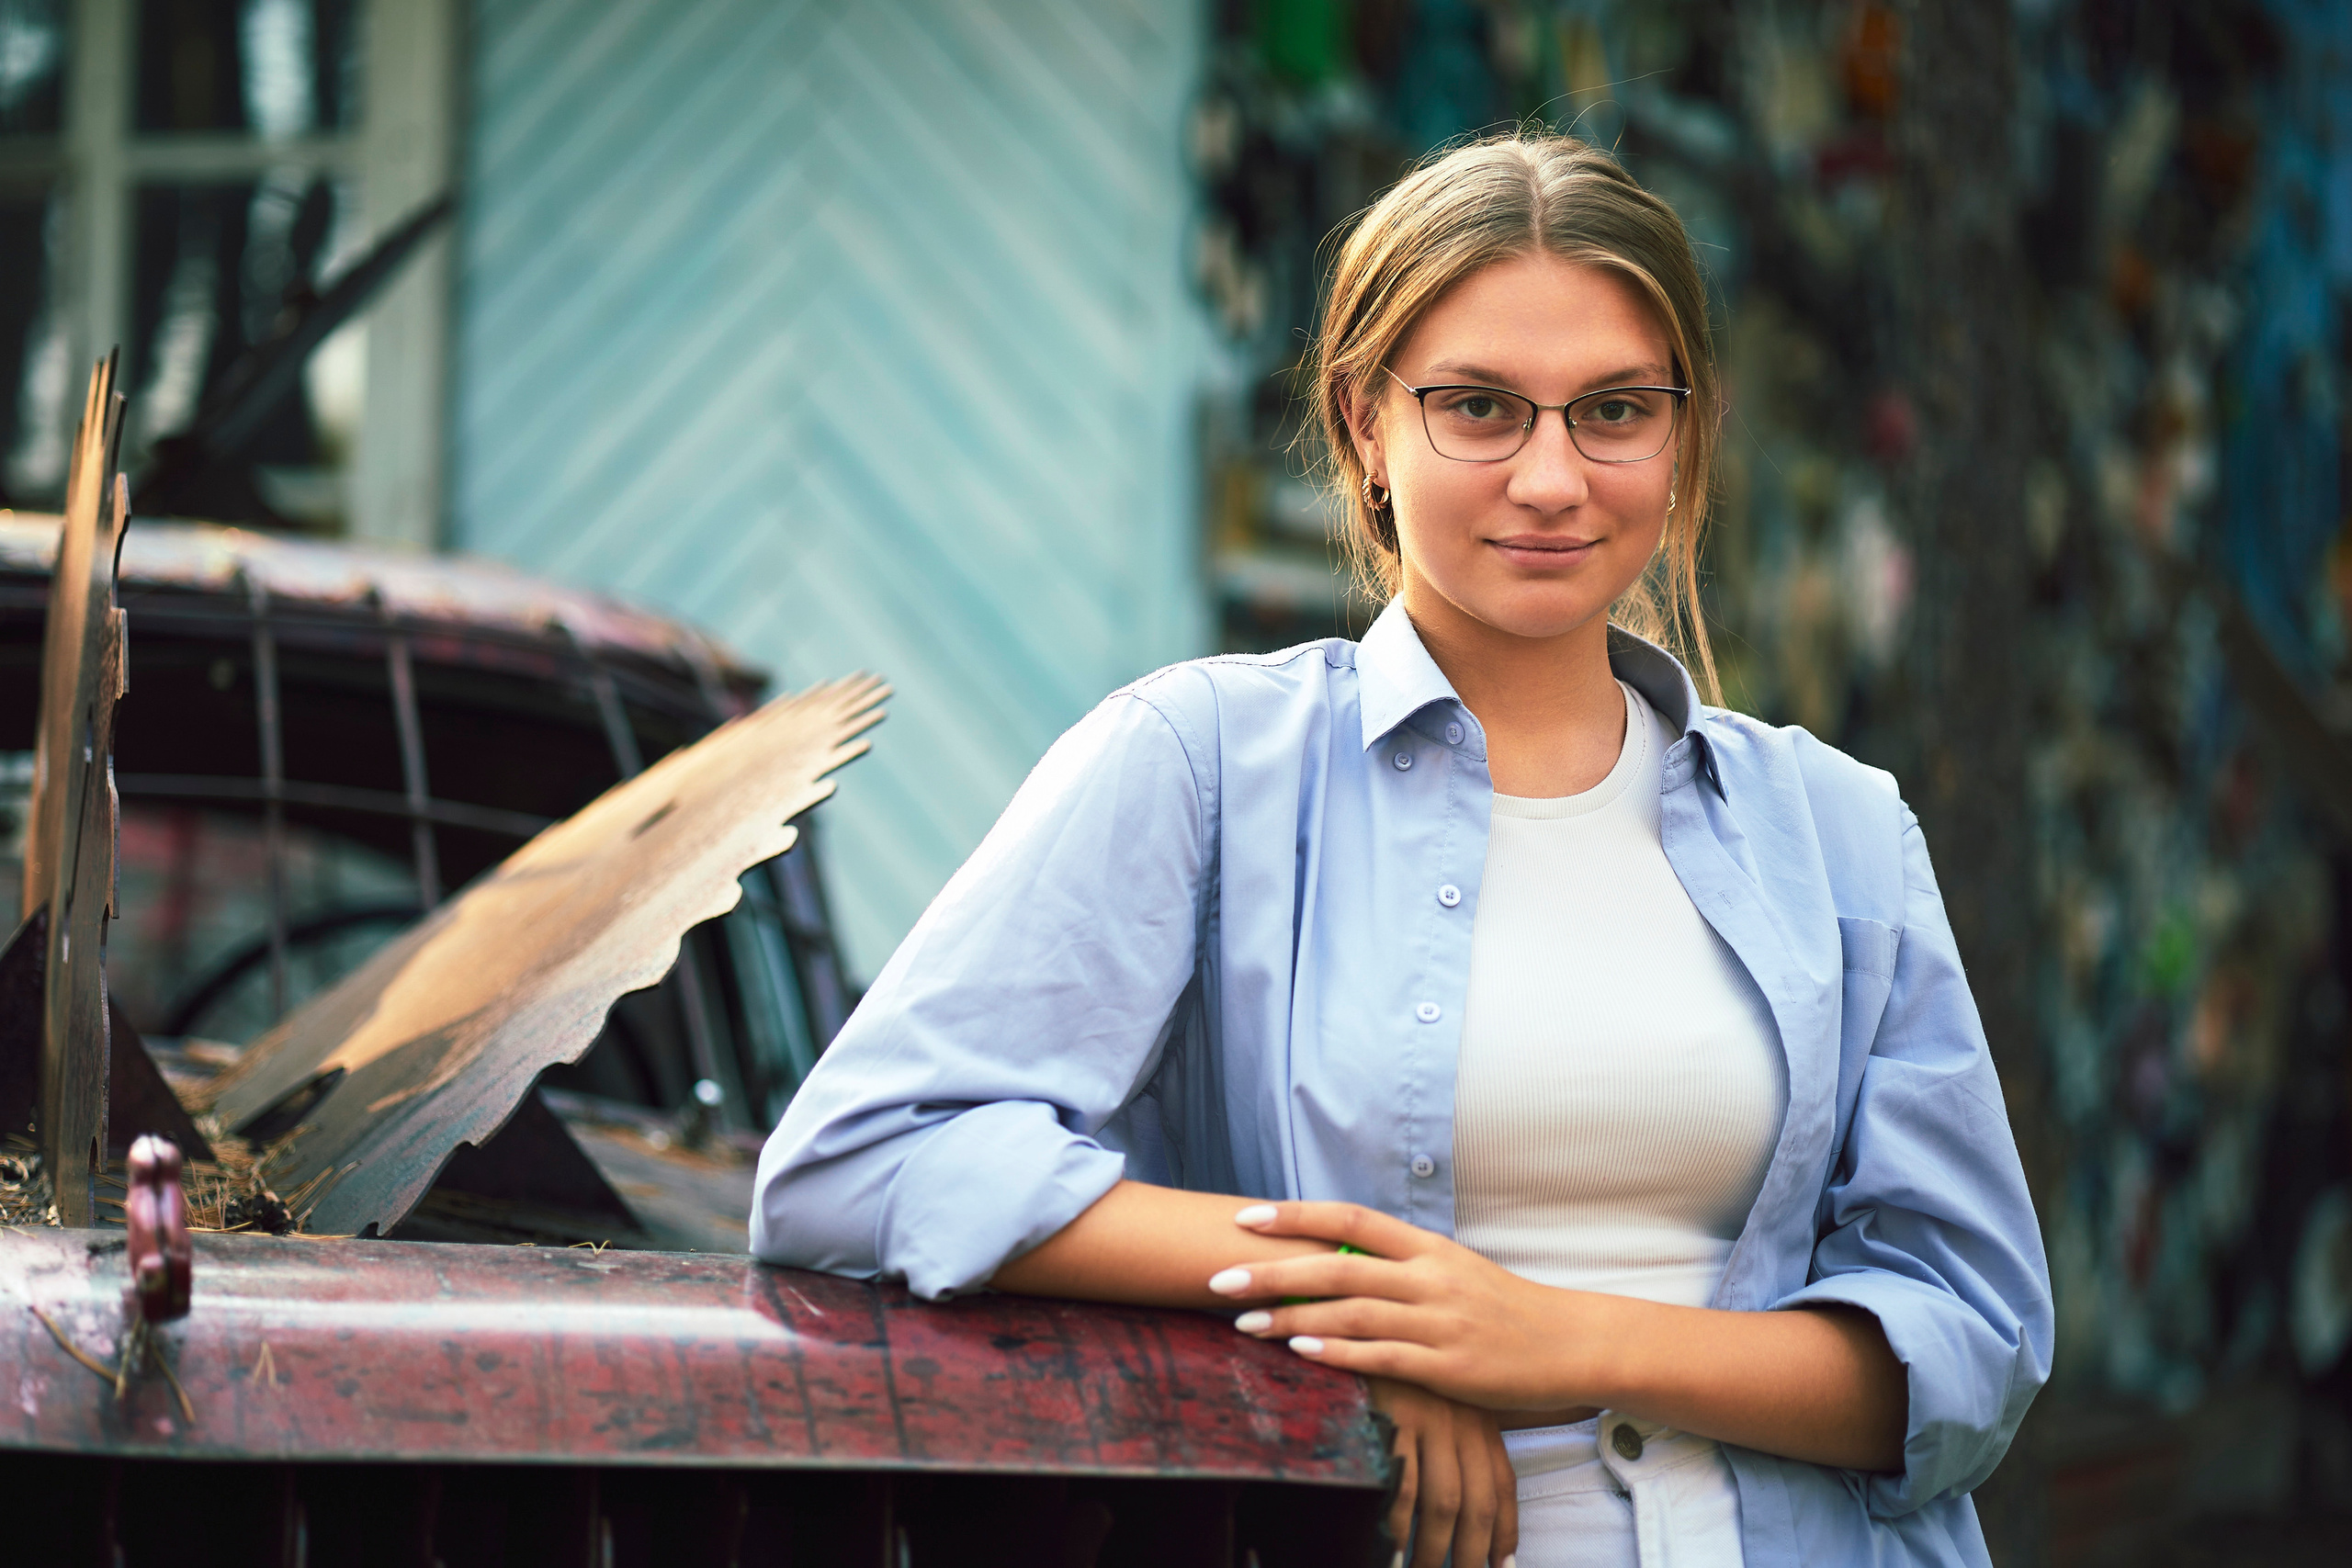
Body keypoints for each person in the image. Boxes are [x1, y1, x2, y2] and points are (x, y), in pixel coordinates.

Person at [752, 130, 2052, 1568]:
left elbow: (1968, 1339)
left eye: (1614, 410)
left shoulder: (1840, 829)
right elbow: (866, 1161)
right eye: (1481, 408)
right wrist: (1362, 1310)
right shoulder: (1198, 768)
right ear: (1366, 422)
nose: (1553, 477)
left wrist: (1543, 1339)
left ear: (1685, 429)